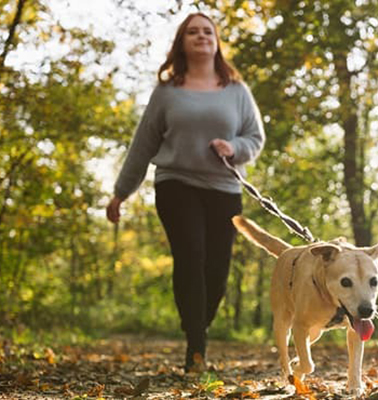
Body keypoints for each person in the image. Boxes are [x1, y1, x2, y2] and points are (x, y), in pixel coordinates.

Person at [106, 12, 265, 373]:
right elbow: (143, 145)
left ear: (216, 41)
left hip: (225, 188)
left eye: (207, 31)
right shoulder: (167, 91)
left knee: (217, 272)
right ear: (182, 42)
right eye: (192, 32)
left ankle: (198, 325)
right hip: (176, 184)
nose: (201, 36)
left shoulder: (237, 91)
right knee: (190, 256)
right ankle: (196, 344)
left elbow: (255, 138)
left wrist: (234, 147)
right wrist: (120, 192)